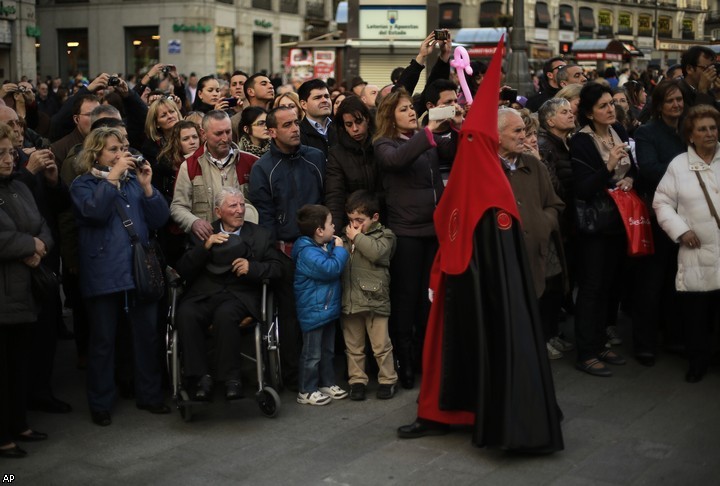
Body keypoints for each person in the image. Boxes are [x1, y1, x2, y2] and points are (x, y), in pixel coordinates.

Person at [397, 47, 564, 452]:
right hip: (455, 279)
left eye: (472, 135)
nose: (464, 139)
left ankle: (477, 412)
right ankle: (439, 413)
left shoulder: (492, 182)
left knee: (478, 347)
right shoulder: (474, 169)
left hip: (476, 286)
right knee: (445, 350)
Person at [70, 127, 170, 426]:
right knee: (103, 340)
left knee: (146, 335)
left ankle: (149, 395)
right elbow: (94, 212)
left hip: (138, 270)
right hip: (103, 271)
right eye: (114, 149)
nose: (121, 154)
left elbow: (160, 220)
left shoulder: (133, 181)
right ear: (95, 153)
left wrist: (149, 188)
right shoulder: (82, 184)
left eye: (124, 147)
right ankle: (100, 402)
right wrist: (113, 177)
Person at [373, 88, 457, 389]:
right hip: (407, 232)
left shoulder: (427, 139)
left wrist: (457, 125)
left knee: (428, 300)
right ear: (390, 117)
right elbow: (397, 161)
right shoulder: (384, 144)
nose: (411, 112)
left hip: (433, 230)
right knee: (406, 300)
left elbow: (454, 151)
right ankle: (404, 362)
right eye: (403, 109)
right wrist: (428, 133)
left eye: (412, 107)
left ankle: (425, 359)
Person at [175, 187, 282, 400]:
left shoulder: (260, 235)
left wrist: (252, 268)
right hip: (206, 293)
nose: (239, 210)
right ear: (218, 211)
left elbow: (278, 268)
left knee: (225, 315)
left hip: (240, 295)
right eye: (233, 205)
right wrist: (204, 248)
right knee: (186, 312)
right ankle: (200, 377)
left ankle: (232, 378)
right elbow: (183, 269)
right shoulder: (204, 233)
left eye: (242, 205)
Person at [249, 106, 326, 390]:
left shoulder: (316, 157)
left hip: (319, 247)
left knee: (322, 311)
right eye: (287, 125)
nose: (295, 128)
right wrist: (275, 255)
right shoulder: (263, 168)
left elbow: (326, 199)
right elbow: (265, 219)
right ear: (272, 132)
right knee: (291, 316)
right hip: (285, 251)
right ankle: (295, 377)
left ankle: (323, 372)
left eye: (296, 123)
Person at [569, 83, 636, 377]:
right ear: (588, 113)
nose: (611, 109)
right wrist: (608, 167)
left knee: (610, 285)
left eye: (611, 104)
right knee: (592, 287)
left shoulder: (617, 130)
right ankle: (585, 351)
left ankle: (599, 342)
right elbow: (582, 188)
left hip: (618, 220)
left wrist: (630, 178)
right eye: (603, 106)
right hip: (594, 224)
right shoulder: (582, 141)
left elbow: (631, 167)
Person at [653, 105, 720, 383]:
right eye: (702, 129)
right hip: (696, 251)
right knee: (696, 312)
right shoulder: (678, 165)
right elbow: (662, 202)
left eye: (713, 128)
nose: (710, 133)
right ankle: (698, 360)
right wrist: (681, 231)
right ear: (690, 135)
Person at [0, 122, 52, 458]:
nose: (8, 159)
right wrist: (29, 244)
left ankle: (19, 423)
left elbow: (42, 224)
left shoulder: (19, 185)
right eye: (1, 154)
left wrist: (41, 245)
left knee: (19, 364)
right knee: (2, 368)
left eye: (10, 153)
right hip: (4, 292)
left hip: (25, 291)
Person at [632, 80, 687, 365]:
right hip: (660, 214)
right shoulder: (647, 133)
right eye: (670, 101)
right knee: (651, 282)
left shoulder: (688, 129)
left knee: (676, 280)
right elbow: (650, 169)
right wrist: (686, 171)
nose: (676, 105)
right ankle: (645, 342)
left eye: (679, 99)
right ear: (658, 105)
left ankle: (674, 336)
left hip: (688, 214)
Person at [341, 190, 398, 401]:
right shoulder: (346, 236)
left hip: (375, 299)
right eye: (351, 220)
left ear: (375, 218)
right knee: (353, 346)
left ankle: (388, 379)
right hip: (350, 299)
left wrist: (357, 237)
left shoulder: (385, 236)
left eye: (359, 220)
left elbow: (378, 253)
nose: (354, 225)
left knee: (381, 345)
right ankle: (357, 380)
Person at [292, 204, 350, 405]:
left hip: (326, 309)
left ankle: (327, 383)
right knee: (312, 354)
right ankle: (306, 390)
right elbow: (330, 269)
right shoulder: (307, 253)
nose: (334, 227)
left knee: (327, 351)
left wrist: (335, 247)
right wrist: (341, 250)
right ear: (319, 231)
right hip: (313, 311)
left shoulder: (322, 246)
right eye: (330, 223)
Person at [170, 110, 259, 242]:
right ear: (203, 134)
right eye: (218, 133)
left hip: (246, 242)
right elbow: (178, 206)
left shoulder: (251, 162)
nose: (225, 138)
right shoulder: (189, 166)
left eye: (228, 132)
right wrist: (193, 222)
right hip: (207, 243)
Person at [325, 96, 382, 230]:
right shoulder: (337, 154)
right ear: (343, 126)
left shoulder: (380, 144)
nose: (355, 129)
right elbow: (335, 195)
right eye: (349, 124)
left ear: (367, 119)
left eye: (358, 121)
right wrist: (335, 232)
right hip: (352, 224)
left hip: (382, 220)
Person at [298, 78, 337, 158]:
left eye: (327, 96)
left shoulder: (340, 128)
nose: (324, 100)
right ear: (304, 104)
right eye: (318, 97)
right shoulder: (297, 133)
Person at [678, 45, 720, 111]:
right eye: (707, 68)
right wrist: (702, 92)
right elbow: (695, 119)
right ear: (689, 69)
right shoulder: (677, 92)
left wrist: (718, 96)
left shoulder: (710, 92)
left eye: (713, 68)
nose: (712, 73)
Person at [142, 97, 182, 165]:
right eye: (163, 115)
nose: (170, 116)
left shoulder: (191, 133)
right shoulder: (150, 148)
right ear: (156, 123)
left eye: (172, 112)